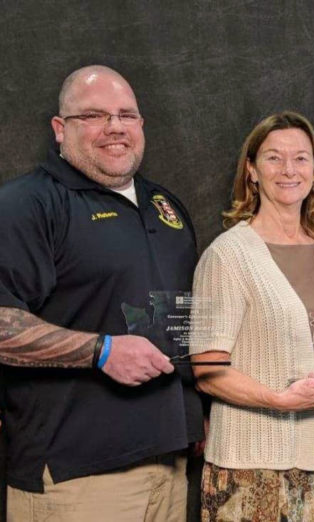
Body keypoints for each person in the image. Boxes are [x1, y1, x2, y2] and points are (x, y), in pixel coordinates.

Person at [0, 65, 204, 522]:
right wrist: (100, 350)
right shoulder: (26, 205)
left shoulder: (165, 206)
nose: (115, 127)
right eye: (93, 115)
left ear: (141, 125)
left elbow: (183, 325)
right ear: (60, 129)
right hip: (76, 476)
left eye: (126, 115)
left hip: (168, 467)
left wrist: (193, 416)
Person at [189, 111, 314, 521]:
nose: (288, 170)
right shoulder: (227, 256)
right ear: (252, 170)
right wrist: (279, 401)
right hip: (251, 469)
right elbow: (206, 370)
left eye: (301, 158)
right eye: (273, 158)